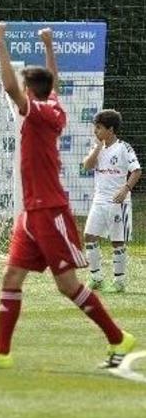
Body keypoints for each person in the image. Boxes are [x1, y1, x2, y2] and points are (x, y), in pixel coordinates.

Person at [0, 23, 135, 369]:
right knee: (11, 277)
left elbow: (10, 87)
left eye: (25, 88)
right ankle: (1, 353)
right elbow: (52, 82)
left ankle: (118, 338)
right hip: (31, 212)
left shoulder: (39, 113)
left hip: (49, 211)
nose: (21, 93)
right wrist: (49, 45)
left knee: (67, 285)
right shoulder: (51, 104)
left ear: (30, 92)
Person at [82, 109, 141, 293]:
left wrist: (125, 189)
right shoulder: (97, 148)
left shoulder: (124, 148)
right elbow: (87, 166)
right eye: (95, 127)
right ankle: (96, 278)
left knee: (117, 241)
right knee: (89, 236)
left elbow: (137, 171)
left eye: (99, 128)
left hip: (117, 202)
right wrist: (97, 148)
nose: (95, 131)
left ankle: (119, 281)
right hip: (99, 201)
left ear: (111, 129)